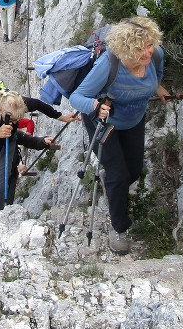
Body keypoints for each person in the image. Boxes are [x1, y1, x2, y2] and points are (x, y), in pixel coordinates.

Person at [69, 16, 172, 255]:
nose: (148, 52)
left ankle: (112, 183)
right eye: (142, 47)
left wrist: (158, 88)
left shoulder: (156, 56)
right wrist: (95, 106)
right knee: (118, 173)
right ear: (128, 48)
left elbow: (155, 76)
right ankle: (119, 229)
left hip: (134, 119)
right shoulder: (109, 64)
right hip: (104, 123)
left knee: (134, 171)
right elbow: (77, 97)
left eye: (150, 45)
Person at [0, 90, 75, 229]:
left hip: (4, 142)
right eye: (13, 119)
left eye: (18, 119)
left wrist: (61, 117)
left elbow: (39, 105)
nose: (16, 122)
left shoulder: (18, 104)